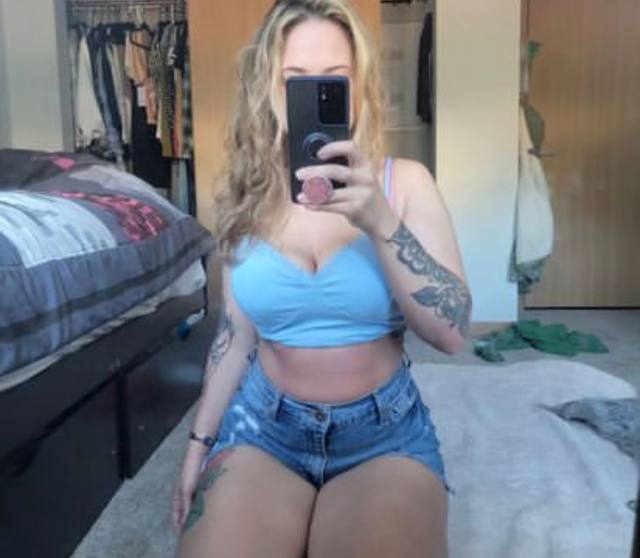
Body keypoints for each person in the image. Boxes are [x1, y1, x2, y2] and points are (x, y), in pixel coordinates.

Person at [172, 1, 471, 556]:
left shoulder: (404, 183)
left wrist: (380, 222)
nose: (314, 95)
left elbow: (452, 332)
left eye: (334, 79)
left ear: (359, 85)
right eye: (295, 80)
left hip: (383, 435)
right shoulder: (245, 193)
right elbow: (234, 339)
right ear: (268, 88)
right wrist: (197, 445)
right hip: (263, 427)